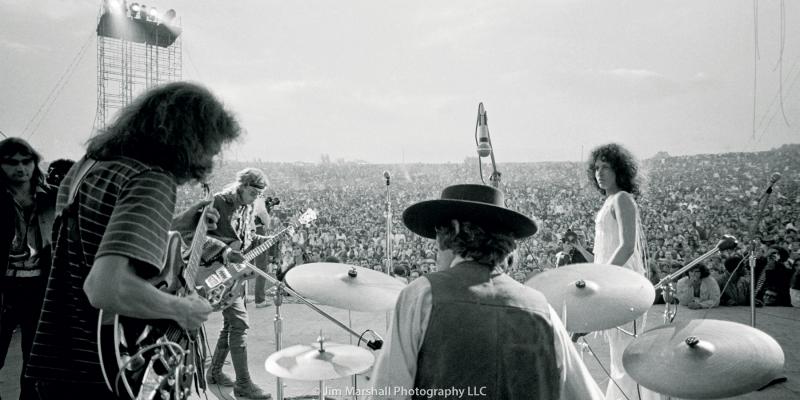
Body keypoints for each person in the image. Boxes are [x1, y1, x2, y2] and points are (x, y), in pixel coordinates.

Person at [25, 82, 240, 399]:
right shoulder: (150, 178)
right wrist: (180, 308)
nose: (212, 158)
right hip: (106, 372)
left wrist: (180, 225)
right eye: (212, 146)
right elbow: (104, 286)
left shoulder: (88, 167)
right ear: (191, 138)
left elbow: (92, 248)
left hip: (56, 360)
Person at [370, 184, 603, 399]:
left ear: (454, 230)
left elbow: (388, 391)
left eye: (438, 234)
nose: (436, 248)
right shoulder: (542, 310)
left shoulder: (421, 295)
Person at [586, 143, 660, 400]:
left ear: (619, 170)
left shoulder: (622, 199)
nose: (600, 173)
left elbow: (627, 246)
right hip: (612, 284)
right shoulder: (609, 201)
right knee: (618, 356)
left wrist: (601, 278)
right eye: (597, 168)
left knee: (626, 357)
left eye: (606, 167)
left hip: (623, 285)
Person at [202, 168, 271, 399]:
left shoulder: (247, 207)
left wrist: (268, 239)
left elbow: (246, 239)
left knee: (230, 325)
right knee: (239, 324)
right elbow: (199, 237)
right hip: (216, 271)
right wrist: (225, 251)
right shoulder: (219, 202)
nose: (255, 198)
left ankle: (214, 373)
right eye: (253, 192)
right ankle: (243, 384)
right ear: (242, 186)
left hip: (235, 276)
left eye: (258, 195)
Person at [0, 138, 56, 400]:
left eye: (26, 161)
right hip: (5, 286)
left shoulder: (51, 197)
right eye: (12, 163)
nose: (20, 168)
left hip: (39, 285)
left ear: (35, 162)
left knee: (35, 360)